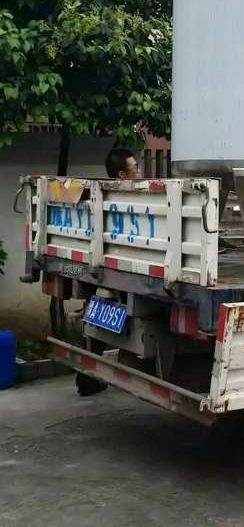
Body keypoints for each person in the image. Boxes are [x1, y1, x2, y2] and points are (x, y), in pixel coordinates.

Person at [75, 147, 142, 397]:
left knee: (96, 320)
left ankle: (87, 376)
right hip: (119, 268)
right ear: (122, 175)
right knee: (98, 320)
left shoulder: (105, 195)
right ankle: (87, 375)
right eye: (135, 168)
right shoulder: (129, 198)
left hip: (102, 267)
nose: (140, 172)